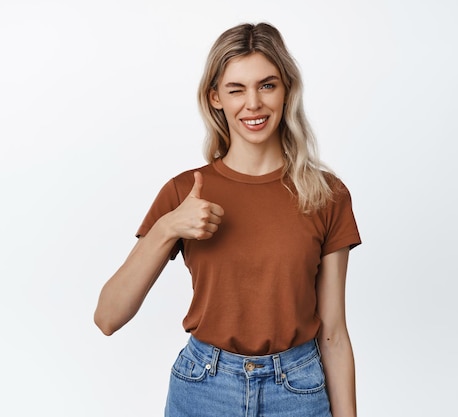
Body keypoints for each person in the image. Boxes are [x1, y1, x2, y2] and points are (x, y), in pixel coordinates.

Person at [94, 22, 361, 417]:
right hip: (204, 388)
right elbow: (108, 317)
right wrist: (168, 227)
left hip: (297, 391)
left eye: (267, 85)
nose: (252, 103)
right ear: (215, 97)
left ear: (287, 92)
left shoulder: (325, 194)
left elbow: (334, 334)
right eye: (237, 89)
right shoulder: (185, 191)